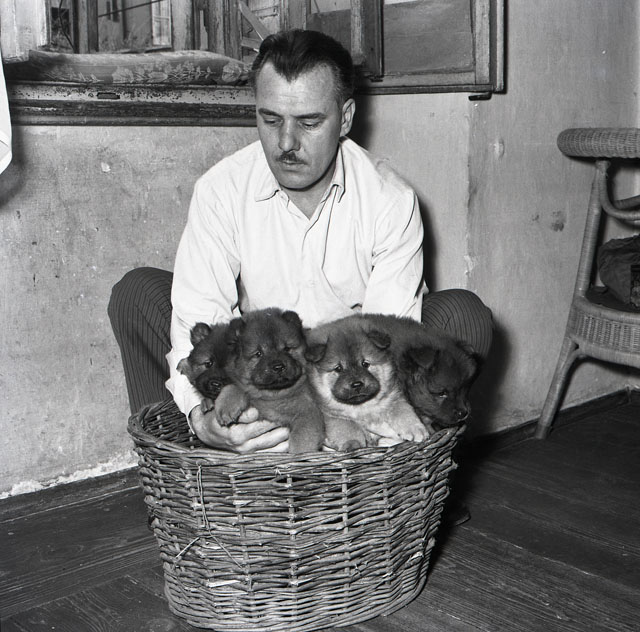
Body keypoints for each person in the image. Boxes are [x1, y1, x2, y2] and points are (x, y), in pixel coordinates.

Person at [108, 29, 492, 454]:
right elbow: (199, 319)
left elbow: (392, 340)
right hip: (260, 376)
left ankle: (389, 475)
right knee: (138, 294)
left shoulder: (390, 200)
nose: (286, 143)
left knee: (463, 316)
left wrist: (348, 414)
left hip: (348, 383)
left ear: (346, 118)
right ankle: (190, 465)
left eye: (309, 122)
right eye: (271, 120)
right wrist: (202, 417)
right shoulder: (221, 189)